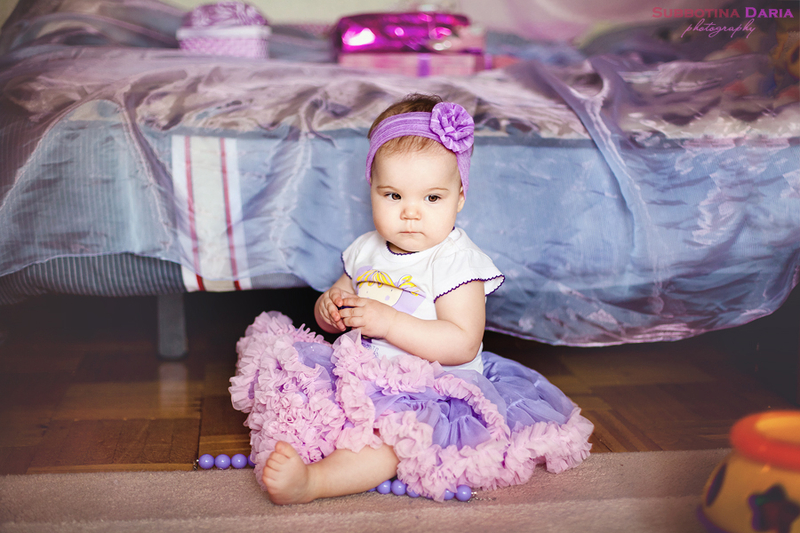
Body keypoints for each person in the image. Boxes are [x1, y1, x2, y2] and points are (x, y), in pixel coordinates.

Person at [230, 94, 593, 505]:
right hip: (365, 374)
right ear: (372, 190)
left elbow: (462, 343)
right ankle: (307, 445)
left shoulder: (456, 261)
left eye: (432, 198)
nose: (410, 213)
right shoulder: (366, 248)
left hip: (433, 389)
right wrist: (329, 308)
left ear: (459, 197)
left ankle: (315, 482)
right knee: (299, 389)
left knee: (389, 440)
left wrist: (388, 323)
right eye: (393, 196)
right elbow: (337, 305)